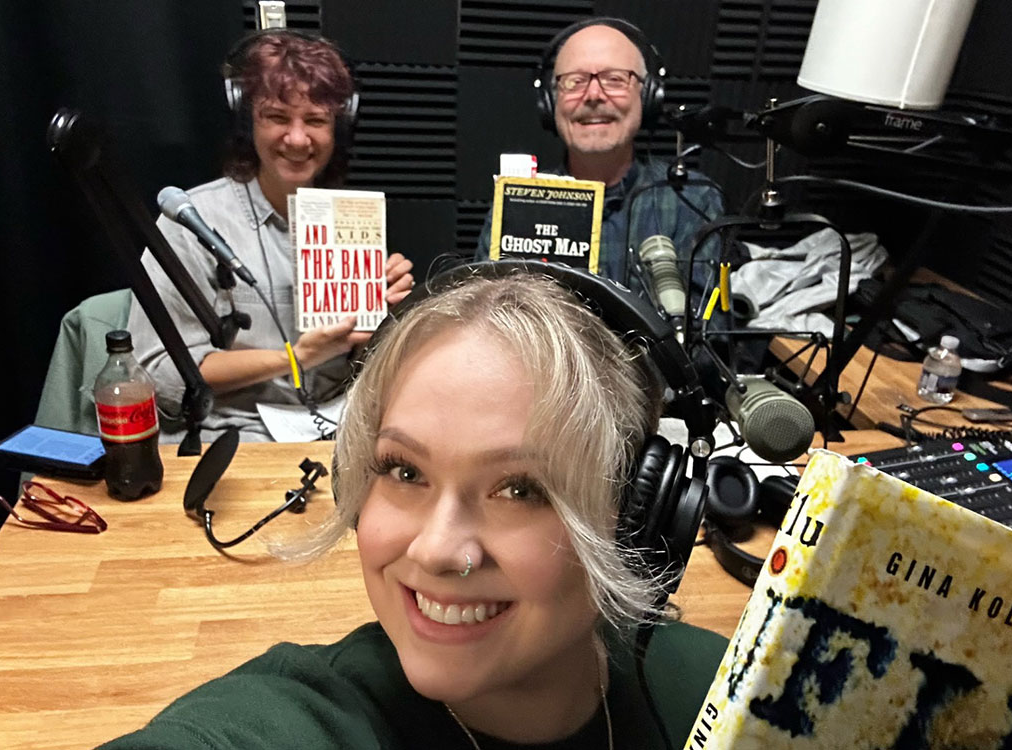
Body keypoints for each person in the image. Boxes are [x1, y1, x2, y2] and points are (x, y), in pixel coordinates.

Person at [100, 271, 728, 749]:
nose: (433, 549)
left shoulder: (727, 689)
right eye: (404, 472)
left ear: (639, 513)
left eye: (520, 489)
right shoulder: (304, 717)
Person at [127, 30, 415, 442]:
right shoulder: (192, 223)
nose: (297, 139)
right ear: (249, 122)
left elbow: (359, 367)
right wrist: (296, 359)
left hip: (340, 430)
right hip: (234, 435)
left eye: (315, 120)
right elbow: (163, 378)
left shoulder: (350, 222)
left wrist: (380, 314)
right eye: (278, 117)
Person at [475, 18, 742, 313]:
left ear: (649, 96)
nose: (593, 95)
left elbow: (706, 340)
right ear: (550, 104)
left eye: (614, 79)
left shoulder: (693, 202)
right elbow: (487, 323)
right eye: (574, 81)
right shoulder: (516, 201)